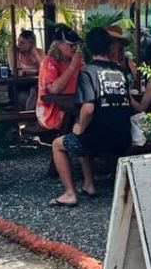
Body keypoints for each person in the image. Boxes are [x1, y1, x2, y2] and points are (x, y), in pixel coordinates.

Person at [49, 27, 133, 206]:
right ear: (109, 47)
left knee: (58, 144)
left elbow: (88, 109)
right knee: (82, 134)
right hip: (125, 137)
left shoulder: (88, 72)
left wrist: (79, 127)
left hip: (99, 139)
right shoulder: (121, 72)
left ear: (88, 48)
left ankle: (70, 193)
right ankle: (89, 184)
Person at [35, 25, 83, 132]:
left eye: (76, 45)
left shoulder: (78, 63)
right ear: (58, 44)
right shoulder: (49, 62)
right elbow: (54, 90)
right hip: (51, 113)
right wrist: (72, 68)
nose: (75, 48)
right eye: (71, 45)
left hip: (72, 107)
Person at [11, 29, 44, 110]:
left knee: (36, 92)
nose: (19, 45)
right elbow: (17, 71)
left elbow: (44, 70)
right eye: (18, 42)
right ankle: (29, 120)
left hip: (36, 85)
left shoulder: (39, 52)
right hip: (20, 86)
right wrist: (35, 72)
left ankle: (28, 121)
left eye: (23, 43)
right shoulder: (15, 52)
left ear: (31, 44)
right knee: (31, 97)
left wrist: (35, 55)